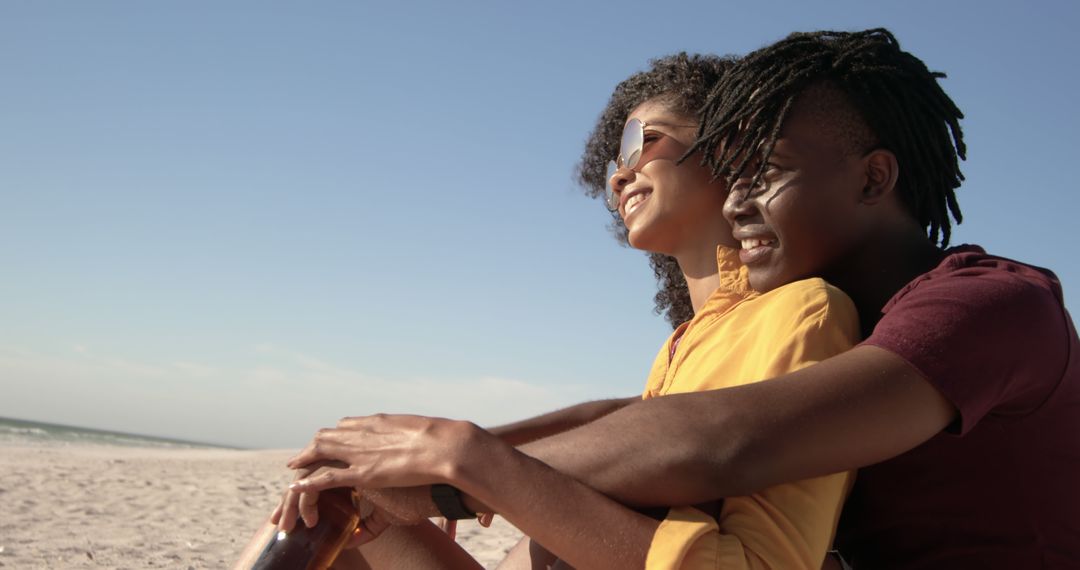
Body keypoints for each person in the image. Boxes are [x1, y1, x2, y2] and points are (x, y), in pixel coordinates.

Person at [434, 29, 1076, 568]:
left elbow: (724, 437)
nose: (737, 204)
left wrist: (459, 472)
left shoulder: (989, 304)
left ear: (873, 177)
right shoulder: (822, 315)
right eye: (731, 179)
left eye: (762, 175)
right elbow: (653, 415)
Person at [266, 53, 861, 569]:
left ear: (728, 147)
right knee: (327, 507)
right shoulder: (683, 346)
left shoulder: (802, 314)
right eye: (611, 166)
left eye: (641, 142)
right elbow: (607, 424)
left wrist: (463, 467)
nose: (621, 172)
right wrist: (409, 472)